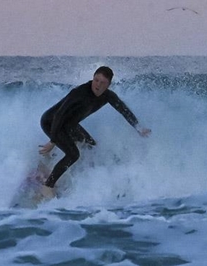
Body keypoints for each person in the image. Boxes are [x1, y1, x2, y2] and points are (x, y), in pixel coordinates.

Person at [36, 66, 151, 199]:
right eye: (96, 80)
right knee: (73, 154)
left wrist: (138, 128)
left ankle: (49, 165)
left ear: (108, 85)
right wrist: (53, 141)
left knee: (90, 146)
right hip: (51, 122)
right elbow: (59, 115)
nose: (98, 85)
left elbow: (123, 110)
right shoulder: (79, 93)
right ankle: (48, 186)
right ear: (92, 78)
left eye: (103, 83)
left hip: (69, 125)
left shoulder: (108, 96)